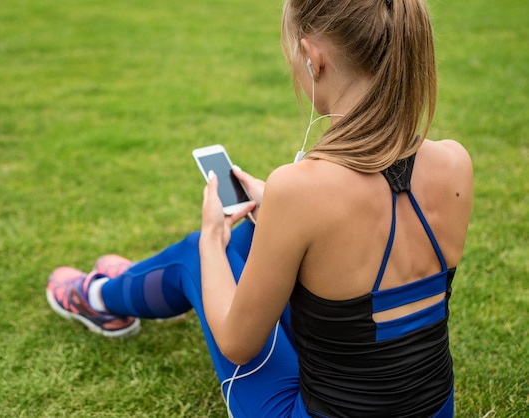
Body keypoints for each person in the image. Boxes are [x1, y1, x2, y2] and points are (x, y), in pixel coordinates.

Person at [46, 0, 473, 416]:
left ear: (313, 57)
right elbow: (376, 240)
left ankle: (97, 296)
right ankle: (123, 286)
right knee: (253, 235)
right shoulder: (454, 161)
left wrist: (213, 238)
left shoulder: (301, 188)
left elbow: (237, 344)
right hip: (433, 408)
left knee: (197, 256)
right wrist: (280, 209)